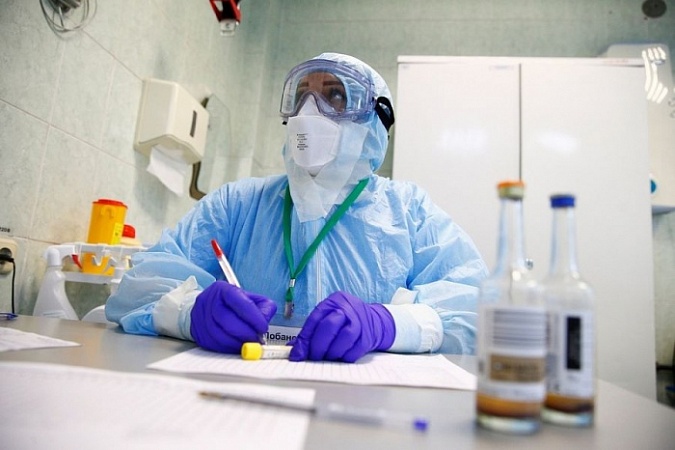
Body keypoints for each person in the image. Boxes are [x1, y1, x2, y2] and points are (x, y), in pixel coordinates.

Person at [106, 52, 488, 362]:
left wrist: (387, 324)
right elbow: (138, 287)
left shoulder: (409, 211)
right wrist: (189, 312)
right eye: (301, 95)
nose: (309, 112)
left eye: (334, 96)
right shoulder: (237, 203)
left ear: (374, 121)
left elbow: (476, 312)